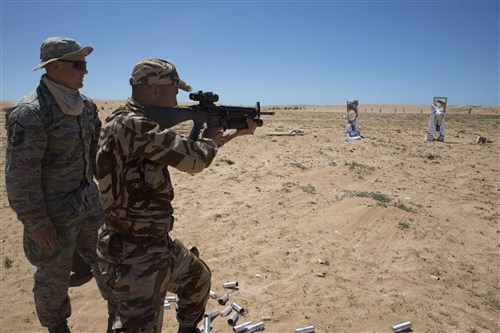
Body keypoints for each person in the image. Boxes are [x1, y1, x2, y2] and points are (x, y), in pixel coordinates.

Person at [95, 58, 257, 333]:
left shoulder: (135, 122)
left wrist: (228, 135)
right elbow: (193, 160)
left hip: (155, 243)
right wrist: (210, 136)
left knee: (198, 278)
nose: (178, 99)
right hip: (132, 254)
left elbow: (189, 151)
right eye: (174, 91)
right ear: (155, 90)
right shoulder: (132, 125)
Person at [5, 37, 116, 333]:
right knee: (53, 276)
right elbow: (20, 176)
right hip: (52, 215)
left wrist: (108, 192)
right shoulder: (30, 112)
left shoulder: (86, 107)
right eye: (79, 65)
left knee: (107, 258)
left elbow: (96, 156)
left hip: (89, 204)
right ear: (55, 66)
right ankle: (57, 326)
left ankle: (119, 313)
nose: (86, 71)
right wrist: (37, 223)